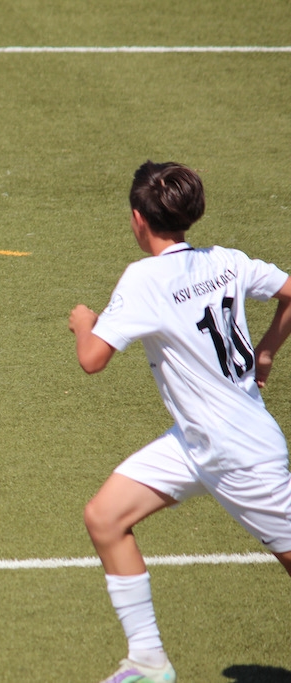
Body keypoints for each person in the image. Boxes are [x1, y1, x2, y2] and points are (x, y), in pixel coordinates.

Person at [69, 161, 291, 683]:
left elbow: (92, 359)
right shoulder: (226, 260)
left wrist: (84, 324)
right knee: (105, 517)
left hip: (240, 455)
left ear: (138, 219)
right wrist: (267, 350)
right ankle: (148, 661)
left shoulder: (143, 279)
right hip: (196, 441)